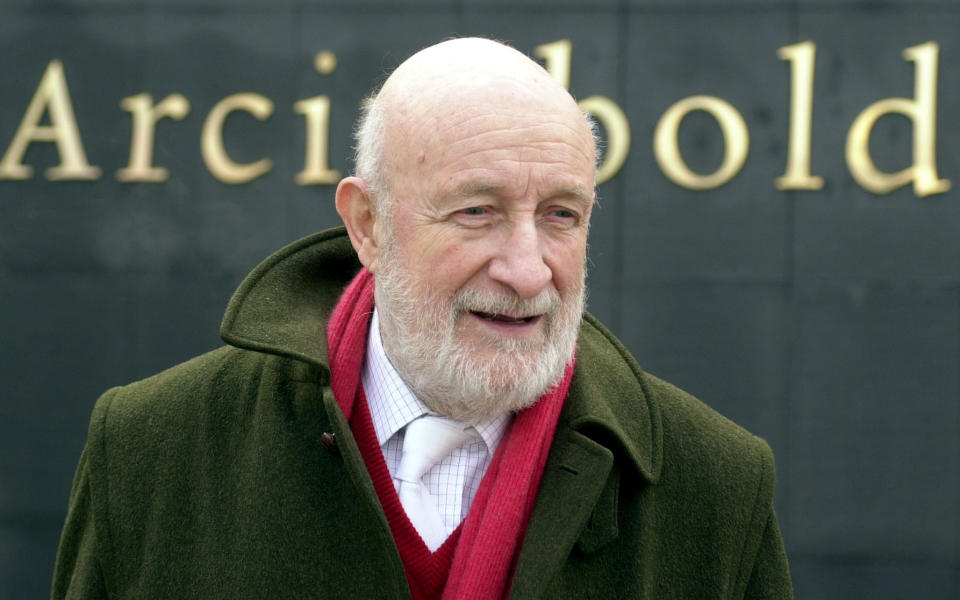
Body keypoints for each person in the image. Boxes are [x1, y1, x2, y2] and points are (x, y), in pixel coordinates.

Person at [52, 38, 793, 599]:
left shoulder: (715, 488)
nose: (529, 268)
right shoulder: (152, 449)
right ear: (367, 224)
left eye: (562, 215)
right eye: (478, 212)